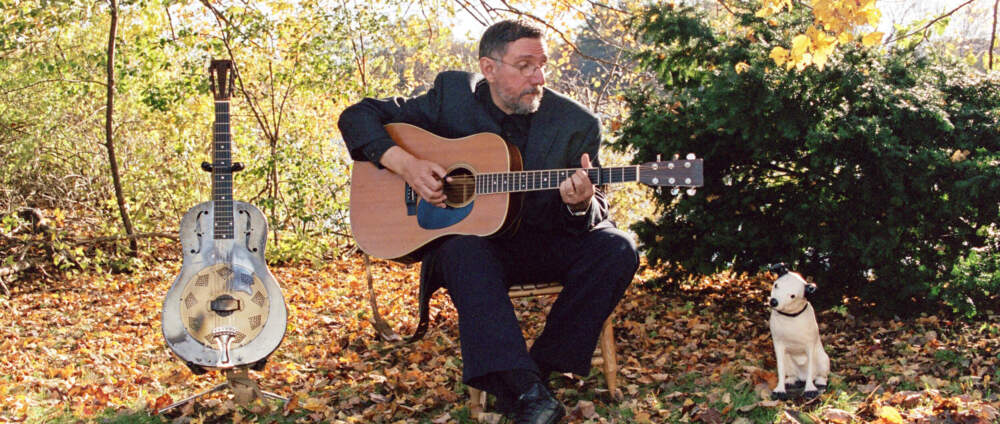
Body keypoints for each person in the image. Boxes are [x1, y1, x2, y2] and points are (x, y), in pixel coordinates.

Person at [338, 20, 638, 424]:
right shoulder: (450, 98)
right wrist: (406, 164)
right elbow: (356, 117)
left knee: (618, 246)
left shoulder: (576, 123)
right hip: (481, 254)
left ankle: (535, 374)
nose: (539, 77)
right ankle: (525, 388)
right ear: (490, 68)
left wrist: (580, 204)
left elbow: (597, 205)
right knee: (462, 247)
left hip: (548, 242)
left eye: (542, 65)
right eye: (525, 66)